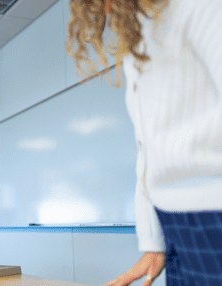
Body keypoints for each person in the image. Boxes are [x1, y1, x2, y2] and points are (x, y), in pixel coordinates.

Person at [67, 0, 222, 285]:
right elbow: (148, 148)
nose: (104, 10)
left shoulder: (198, 7)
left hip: (213, 214)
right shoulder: (140, 37)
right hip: (174, 224)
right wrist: (153, 241)